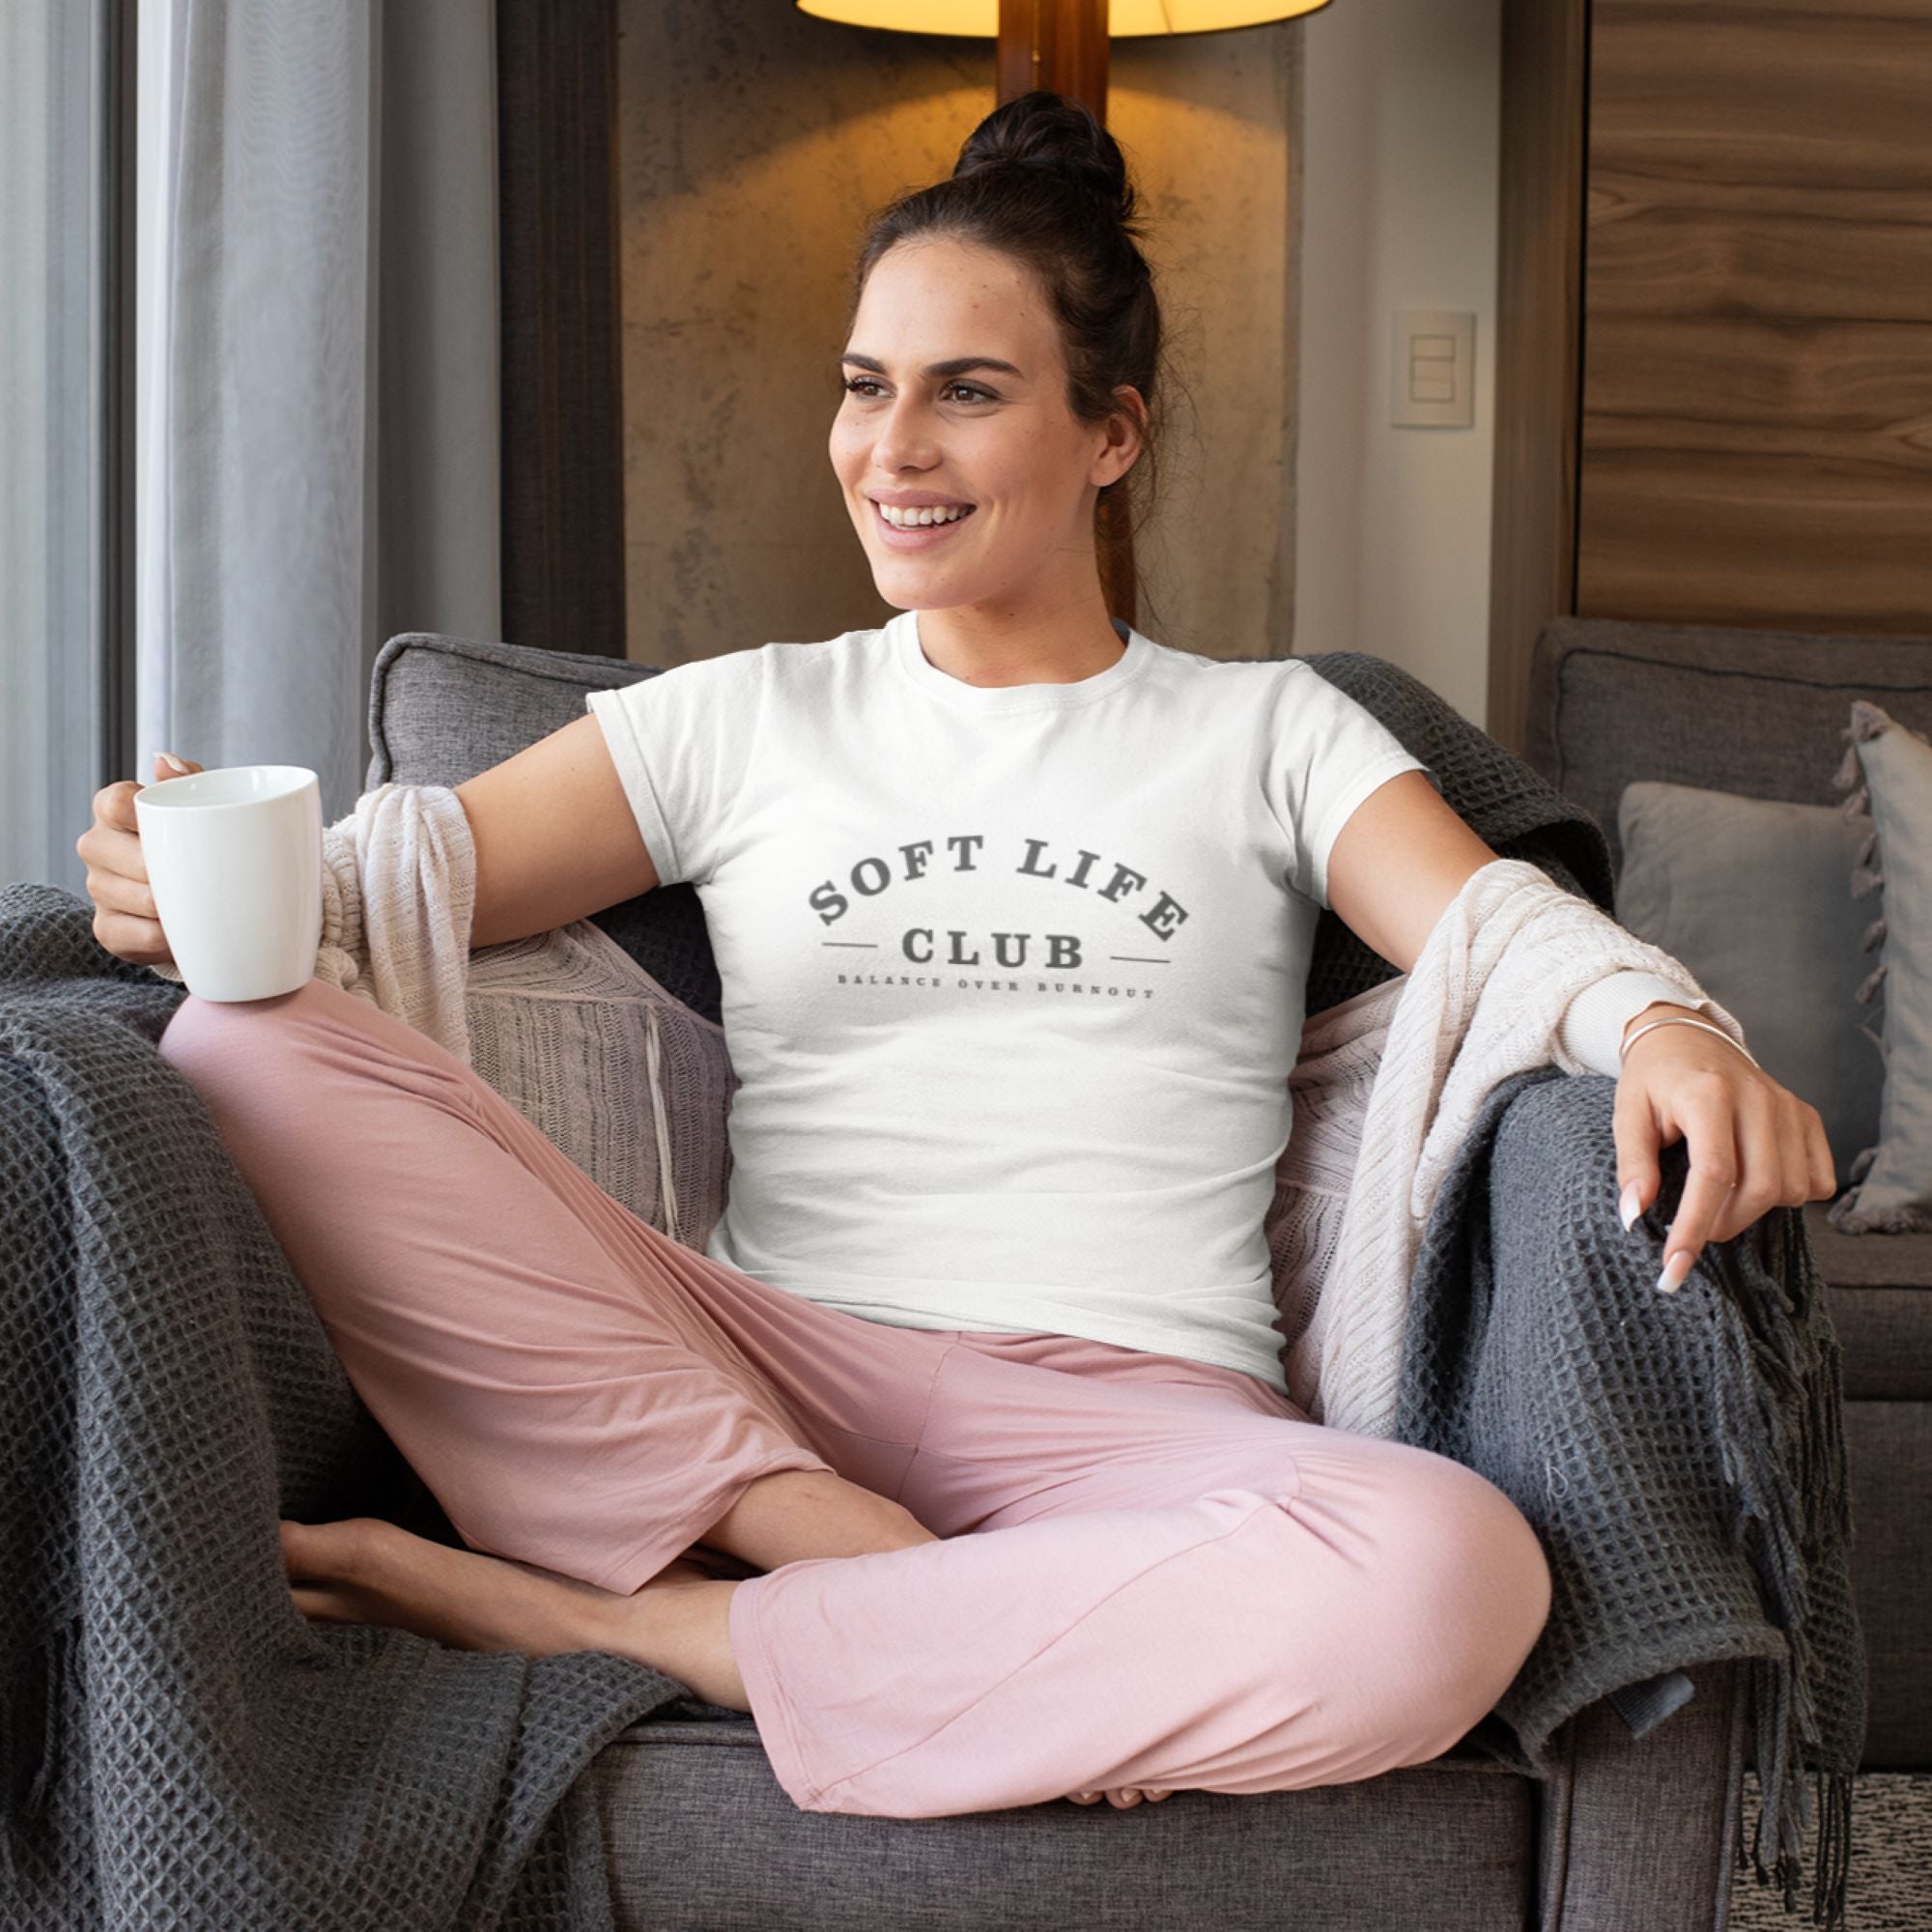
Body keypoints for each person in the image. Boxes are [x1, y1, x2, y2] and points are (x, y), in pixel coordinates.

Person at [78, 92, 1835, 1821]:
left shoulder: (1271, 732)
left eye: (966, 392)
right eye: (866, 386)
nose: (890, 450)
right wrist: (174, 874)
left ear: (1111, 435)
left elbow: (1492, 927)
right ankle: (835, 1562)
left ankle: (645, 1629)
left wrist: (1663, 1019)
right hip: (760, 1373)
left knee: (1456, 1572)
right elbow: (384, 887)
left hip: (1139, 1426)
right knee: (242, 1041)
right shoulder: (741, 717)